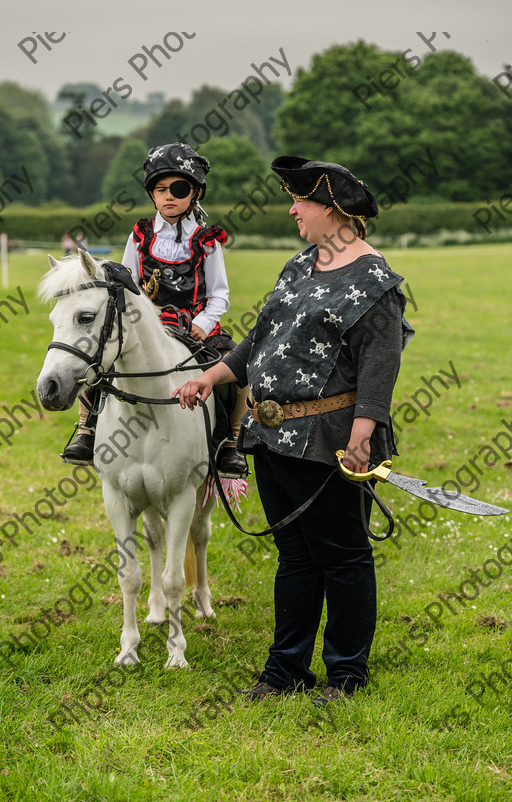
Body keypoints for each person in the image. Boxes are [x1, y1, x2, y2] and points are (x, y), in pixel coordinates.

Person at [173, 155, 414, 704]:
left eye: (301, 201)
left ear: (333, 209)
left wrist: (363, 433)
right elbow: (260, 339)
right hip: (272, 436)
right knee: (296, 556)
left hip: (330, 440)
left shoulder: (376, 281)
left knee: (344, 556)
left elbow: (381, 363)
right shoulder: (300, 264)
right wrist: (211, 376)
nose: (292, 209)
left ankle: (346, 675)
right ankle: (285, 672)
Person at [63, 142, 248, 476]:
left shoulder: (207, 240)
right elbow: (129, 284)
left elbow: (220, 295)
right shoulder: (140, 234)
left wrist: (204, 323)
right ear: (151, 194)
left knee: (235, 367)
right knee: (97, 354)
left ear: (195, 193)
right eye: (160, 190)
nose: (169, 196)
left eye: (178, 189)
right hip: (147, 322)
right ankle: (86, 430)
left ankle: (229, 444)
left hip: (193, 324)